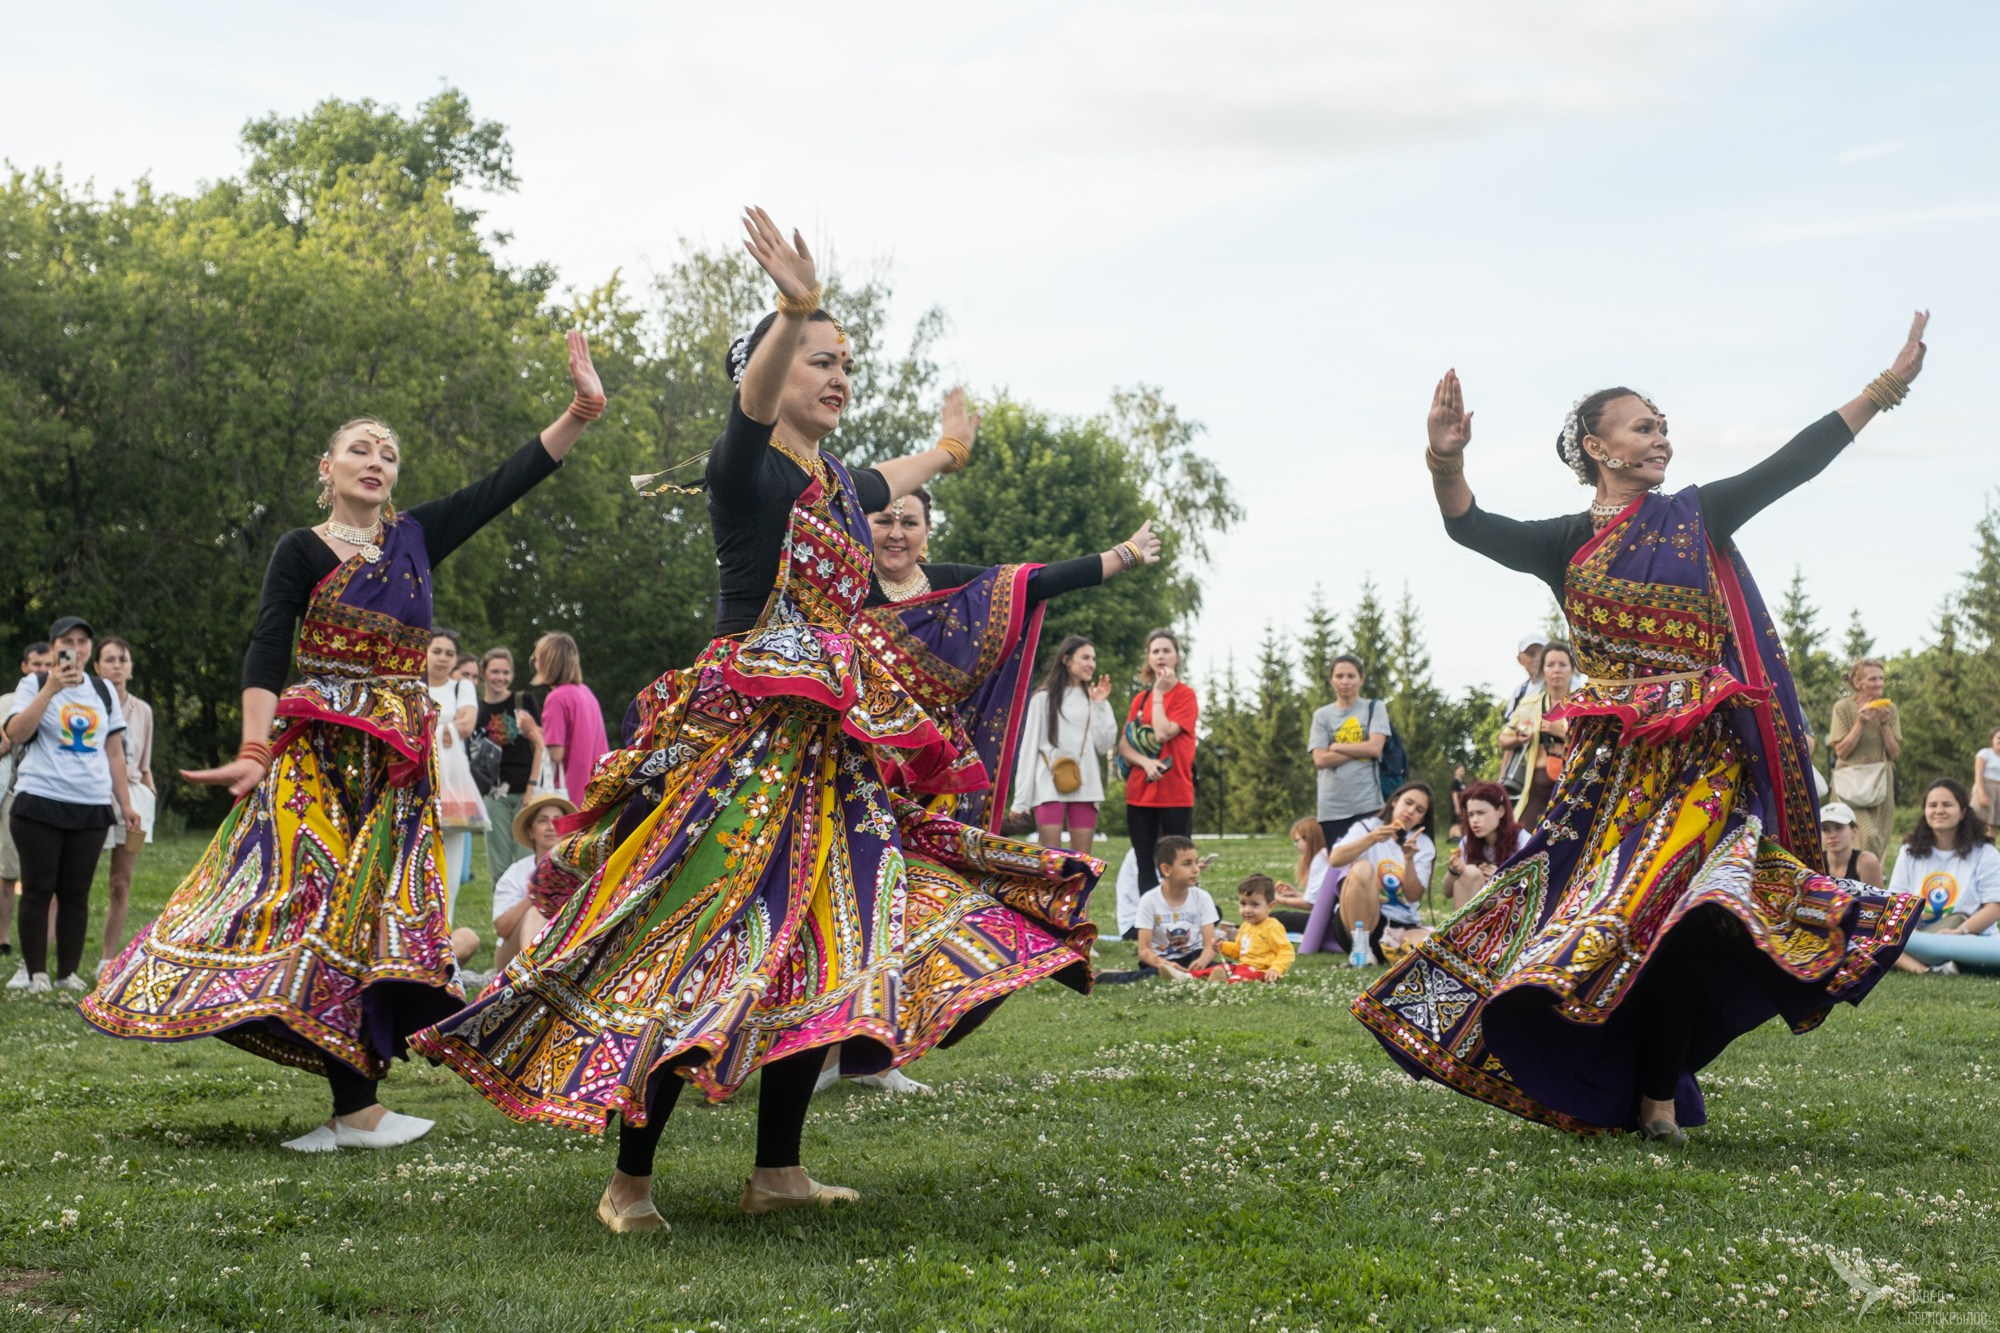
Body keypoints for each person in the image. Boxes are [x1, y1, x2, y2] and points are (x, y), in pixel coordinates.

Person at [412, 209, 1097, 1233]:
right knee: (695, 939)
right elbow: (745, 413)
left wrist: (950, 452)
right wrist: (794, 307)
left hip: (830, 753)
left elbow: (894, 477)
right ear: (769, 369)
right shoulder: (745, 470)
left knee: (828, 940)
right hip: (741, 750)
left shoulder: (835, 487)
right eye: (819, 359)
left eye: (844, 362)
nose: (838, 373)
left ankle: (777, 1165)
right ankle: (629, 1179)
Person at [1356, 317, 1930, 1145]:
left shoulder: (1696, 516)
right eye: (1643, 425)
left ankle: (1658, 1096)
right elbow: (1468, 525)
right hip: (1614, 776)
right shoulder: (1567, 543)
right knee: (1603, 917)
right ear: (1599, 446)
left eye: (1662, 424)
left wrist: (1884, 387)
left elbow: (1795, 462)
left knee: (1692, 915)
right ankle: (1599, 1068)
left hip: (1705, 762)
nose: (1661, 436)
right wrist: (1445, 459)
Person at [81, 330, 606, 1151]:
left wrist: (580, 410)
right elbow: (265, 647)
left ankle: (355, 1106)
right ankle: (344, 1097)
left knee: (369, 922)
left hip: (394, 766)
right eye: (359, 449)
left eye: (388, 453)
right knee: (298, 903)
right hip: (317, 759)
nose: (376, 460)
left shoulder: (416, 537)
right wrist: (256, 751)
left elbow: (507, 481)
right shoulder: (300, 548)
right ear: (326, 469)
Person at [865, 489, 1162, 833]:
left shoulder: (955, 583)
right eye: (884, 521)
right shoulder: (845, 588)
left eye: (910, 523)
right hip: (859, 758)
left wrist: (1123, 555)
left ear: (928, 531)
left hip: (938, 764)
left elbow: (1035, 582)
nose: (896, 533)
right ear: (861, 524)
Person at [3, 617, 142, 991]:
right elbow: (15, 734)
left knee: (76, 893)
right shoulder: (33, 683)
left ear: (89, 651)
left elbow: (114, 752)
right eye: (67, 641)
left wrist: (125, 803)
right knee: (37, 888)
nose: (76, 647)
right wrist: (49, 689)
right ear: (53, 648)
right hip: (39, 802)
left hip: (91, 805)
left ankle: (67, 973)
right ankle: (37, 973)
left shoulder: (102, 691)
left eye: (83, 641)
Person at [1012, 636, 1118, 856]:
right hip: (1048, 786)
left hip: (1086, 785)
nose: (1091, 663)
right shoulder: (1042, 699)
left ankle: (1081, 894)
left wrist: (1099, 705)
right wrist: (1020, 801)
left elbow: (1104, 745)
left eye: (1094, 659)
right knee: (1051, 862)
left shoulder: (1095, 700)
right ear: (1067, 660)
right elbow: (1028, 750)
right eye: (1085, 657)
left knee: (1082, 865)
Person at [1889, 779, 2000, 976]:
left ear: (1963, 812)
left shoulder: (1985, 852)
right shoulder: (1909, 852)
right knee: (1872, 936)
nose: (1939, 811)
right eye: (1932, 805)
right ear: (1925, 812)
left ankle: (1935, 962)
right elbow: (1897, 902)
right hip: (1920, 939)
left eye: (1947, 805)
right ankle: (1927, 970)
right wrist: (1912, 931)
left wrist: (1960, 932)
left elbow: (1995, 906)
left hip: (1969, 939)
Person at [1120, 629, 1198, 898]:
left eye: (1166, 650)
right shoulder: (1139, 700)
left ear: (1177, 656)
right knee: (1145, 862)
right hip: (1140, 793)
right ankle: (1147, 921)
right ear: (1149, 658)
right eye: (1155, 651)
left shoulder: (1185, 695)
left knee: (1181, 863)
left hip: (1175, 793)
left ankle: (1183, 916)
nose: (1161, 656)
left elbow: (1164, 732)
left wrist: (1159, 694)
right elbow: (1124, 746)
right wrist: (1145, 762)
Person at [95, 637, 156, 963]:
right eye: (110, 659)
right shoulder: (87, 704)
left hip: (134, 801)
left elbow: (144, 765)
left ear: (130, 667)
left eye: (123, 659)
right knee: (73, 879)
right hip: (92, 795)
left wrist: (150, 793)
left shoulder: (142, 710)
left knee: (121, 882)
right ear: (97, 667)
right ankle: (52, 957)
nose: (117, 665)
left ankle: (107, 959)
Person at [1327, 783, 1437, 964]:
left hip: (1400, 923)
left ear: (1422, 819)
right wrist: (1371, 839)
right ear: (1394, 802)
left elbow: (1413, 895)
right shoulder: (1367, 827)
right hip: (1359, 922)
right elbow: (1335, 859)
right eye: (1407, 803)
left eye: (1419, 810)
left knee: (1432, 949)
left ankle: (1389, 952)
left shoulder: (1423, 844)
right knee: (1362, 868)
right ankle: (1361, 950)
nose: (1410, 811)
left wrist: (1409, 859)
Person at [1, 640, 53, 984]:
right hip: (12, 790)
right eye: (36, 664)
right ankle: (3, 937)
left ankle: (43, 948)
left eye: (47, 664)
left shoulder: (66, 697)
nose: (41, 670)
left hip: (48, 795)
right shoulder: (8, 701)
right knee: (7, 871)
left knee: (43, 879)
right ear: (24, 667)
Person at [1096, 836, 1214, 983]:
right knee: (1150, 974)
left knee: (1222, 967)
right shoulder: (1149, 901)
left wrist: (1202, 961)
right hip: (1160, 961)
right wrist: (1164, 964)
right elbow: (1144, 951)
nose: (1196, 870)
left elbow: (1210, 944)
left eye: (1196, 863)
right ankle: (1108, 976)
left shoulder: (1203, 898)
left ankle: (1200, 974)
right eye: (1187, 864)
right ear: (1166, 869)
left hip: (1192, 957)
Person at [425, 629, 485, 917]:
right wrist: (445, 727)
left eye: (449, 653)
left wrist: (431, 728)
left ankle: (445, 930)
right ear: (425, 652)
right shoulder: (412, 686)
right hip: (419, 781)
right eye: (437, 651)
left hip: (453, 784)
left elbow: (466, 725)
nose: (443, 658)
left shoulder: (462, 688)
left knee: (449, 866)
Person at [1307, 655, 1392, 849]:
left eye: (1351, 676)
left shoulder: (1375, 708)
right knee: (1339, 866)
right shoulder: (1322, 716)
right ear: (1332, 680)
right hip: (1332, 808)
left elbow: (1376, 747)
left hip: (1368, 804)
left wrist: (1337, 746)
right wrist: (1362, 748)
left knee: (1370, 865)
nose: (1345, 681)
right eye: (1339, 676)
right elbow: (1320, 759)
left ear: (1361, 679)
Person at [474, 646, 544, 879]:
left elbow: (539, 745)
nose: (500, 678)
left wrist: (532, 789)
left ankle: (528, 913)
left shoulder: (523, 701)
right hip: (495, 796)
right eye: (495, 671)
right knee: (499, 865)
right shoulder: (475, 711)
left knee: (527, 864)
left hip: (527, 791)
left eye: (506, 672)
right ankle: (501, 913)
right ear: (483, 673)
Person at [489, 791, 574, 974]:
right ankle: (532, 975)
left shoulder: (581, 870)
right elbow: (502, 929)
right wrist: (537, 892)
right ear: (531, 831)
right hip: (512, 957)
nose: (551, 826)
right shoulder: (515, 873)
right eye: (543, 820)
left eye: (557, 820)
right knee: (538, 909)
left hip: (568, 947)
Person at [1828, 658, 1901, 861]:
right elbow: (1841, 751)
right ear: (1858, 682)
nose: (1879, 683)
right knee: (1866, 836)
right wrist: (1860, 723)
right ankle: (1858, 880)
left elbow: (1894, 753)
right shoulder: (1843, 708)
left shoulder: (1890, 709)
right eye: (1873, 679)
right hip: (1852, 783)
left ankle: (1871, 883)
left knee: (1879, 838)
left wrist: (1885, 725)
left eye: (1881, 678)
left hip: (1881, 783)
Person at [1498, 641, 1576, 827]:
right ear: (1543, 671)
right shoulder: (1529, 705)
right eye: (1550, 665)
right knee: (1523, 841)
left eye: (1562, 665)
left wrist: (1562, 733)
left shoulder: (1584, 707)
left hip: (1572, 787)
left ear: (1572, 670)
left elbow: (1596, 747)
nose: (1556, 670)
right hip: (1533, 787)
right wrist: (1519, 739)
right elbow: (1503, 740)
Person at [530, 631, 606, 807]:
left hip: (569, 797)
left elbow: (555, 754)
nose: (535, 664)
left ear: (548, 662)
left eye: (536, 659)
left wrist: (533, 733)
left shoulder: (556, 698)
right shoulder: (585, 693)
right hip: (596, 792)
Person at [1446, 781, 1528, 911]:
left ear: (1500, 811)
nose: (1474, 820)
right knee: (1470, 872)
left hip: (1514, 912)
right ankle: (1464, 931)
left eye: (1481, 813)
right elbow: (1447, 892)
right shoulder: (1467, 842)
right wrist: (1454, 871)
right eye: (1470, 815)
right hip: (1477, 916)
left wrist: (1503, 879)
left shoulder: (1522, 839)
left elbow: (1538, 885)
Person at [1201, 874, 1294, 983]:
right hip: (1242, 967)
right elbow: (1239, 950)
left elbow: (1286, 951)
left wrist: (1276, 969)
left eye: (1254, 905)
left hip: (1260, 971)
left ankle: (1224, 982)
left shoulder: (1272, 926)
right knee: (1222, 968)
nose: (1247, 910)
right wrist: (1222, 946)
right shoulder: (1245, 926)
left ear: (1270, 906)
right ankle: (1188, 976)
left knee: (1242, 976)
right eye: (1243, 904)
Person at [1272, 816, 1332, 931]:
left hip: (1328, 922)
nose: (1296, 846)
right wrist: (1296, 894)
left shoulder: (1320, 858)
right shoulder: (1327, 855)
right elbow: (1319, 902)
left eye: (1297, 841)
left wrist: (1277, 898)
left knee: (1277, 918)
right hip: (1332, 918)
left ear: (1309, 838)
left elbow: (1310, 904)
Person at [1816, 801, 1883, 887]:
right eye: (1825, 829)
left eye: (1839, 828)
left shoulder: (1866, 862)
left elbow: (1876, 899)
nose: (1832, 835)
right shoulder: (1814, 863)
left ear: (1854, 830)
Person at [1506, 632, 1547, 717]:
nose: (1537, 658)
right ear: (1519, 659)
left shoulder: (1567, 684)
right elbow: (1510, 725)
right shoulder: (1518, 693)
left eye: (1542, 653)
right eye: (1531, 654)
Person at [1969, 727, 2000, 823]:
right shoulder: (1985, 753)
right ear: (1992, 739)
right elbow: (1978, 775)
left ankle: (1990, 839)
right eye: (1998, 738)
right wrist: (1982, 794)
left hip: (1998, 789)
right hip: (1985, 786)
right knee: (1979, 819)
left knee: (1994, 822)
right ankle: (1975, 838)